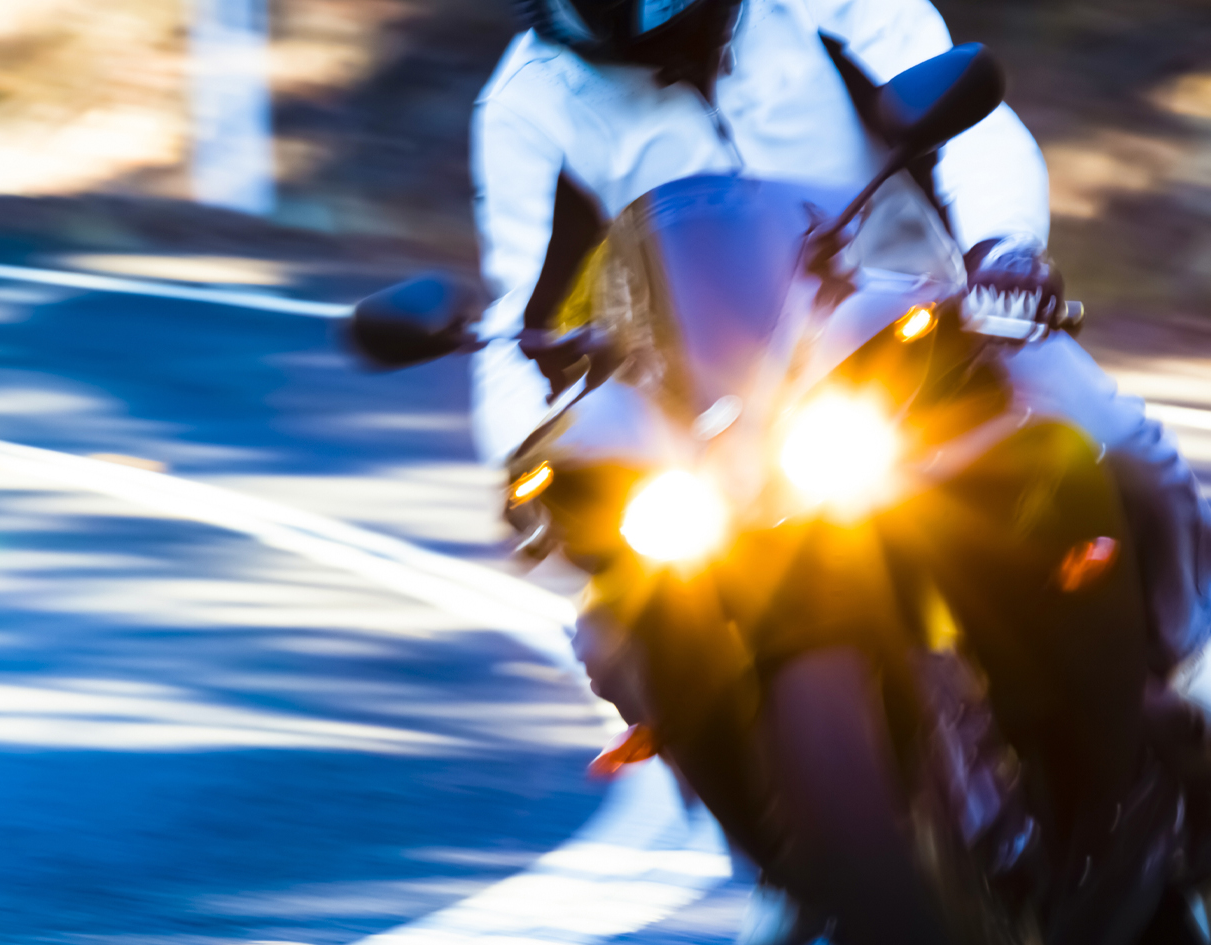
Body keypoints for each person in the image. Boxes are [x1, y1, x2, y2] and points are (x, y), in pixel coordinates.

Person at [470, 0, 1211, 937]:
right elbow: (511, 320)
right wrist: (523, 458)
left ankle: (1180, 680)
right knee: (616, 628)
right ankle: (799, 846)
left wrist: (1004, 249)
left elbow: (976, 132)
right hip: (703, 419)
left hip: (936, 328)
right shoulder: (530, 100)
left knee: (1109, 437)